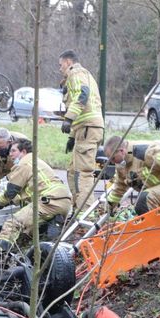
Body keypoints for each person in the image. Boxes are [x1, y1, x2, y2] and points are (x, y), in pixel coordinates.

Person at [0, 138, 73, 255]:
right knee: (29, 229)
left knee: (13, 223)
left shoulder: (24, 163)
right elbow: (28, 193)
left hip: (49, 201)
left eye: (13, 151)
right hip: (63, 202)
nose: (10, 154)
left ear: (23, 152)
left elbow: (10, 192)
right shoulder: (36, 162)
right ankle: (50, 225)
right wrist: (13, 201)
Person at [59, 50, 105, 209]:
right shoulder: (86, 75)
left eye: (60, 65)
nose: (60, 69)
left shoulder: (75, 73)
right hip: (85, 129)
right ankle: (78, 207)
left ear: (68, 62)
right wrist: (72, 136)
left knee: (83, 174)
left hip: (88, 128)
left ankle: (86, 213)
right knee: (72, 172)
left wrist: (68, 118)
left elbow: (82, 95)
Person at [101, 135, 160, 214]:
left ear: (121, 151)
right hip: (155, 190)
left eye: (113, 158)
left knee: (143, 201)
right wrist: (110, 205)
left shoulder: (146, 152)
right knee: (142, 202)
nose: (112, 162)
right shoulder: (121, 163)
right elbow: (120, 186)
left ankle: (157, 232)